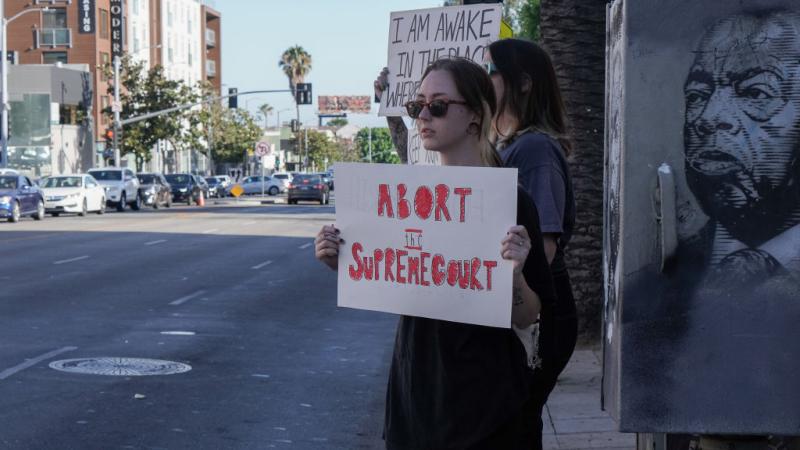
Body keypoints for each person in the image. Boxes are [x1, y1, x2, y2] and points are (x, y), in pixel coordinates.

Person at [318, 57, 556, 449]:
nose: (424, 116)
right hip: (417, 394)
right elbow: (389, 272)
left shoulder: (510, 202)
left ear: (475, 118)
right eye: (417, 107)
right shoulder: (404, 199)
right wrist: (339, 258)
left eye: (439, 106)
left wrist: (513, 275)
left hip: (488, 409)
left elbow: (530, 314)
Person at [484, 37, 579, 427]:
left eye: (490, 72)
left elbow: (545, 248)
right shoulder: (509, 146)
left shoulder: (535, 149)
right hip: (527, 310)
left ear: (522, 83)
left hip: (542, 315)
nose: (482, 80)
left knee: (514, 426)